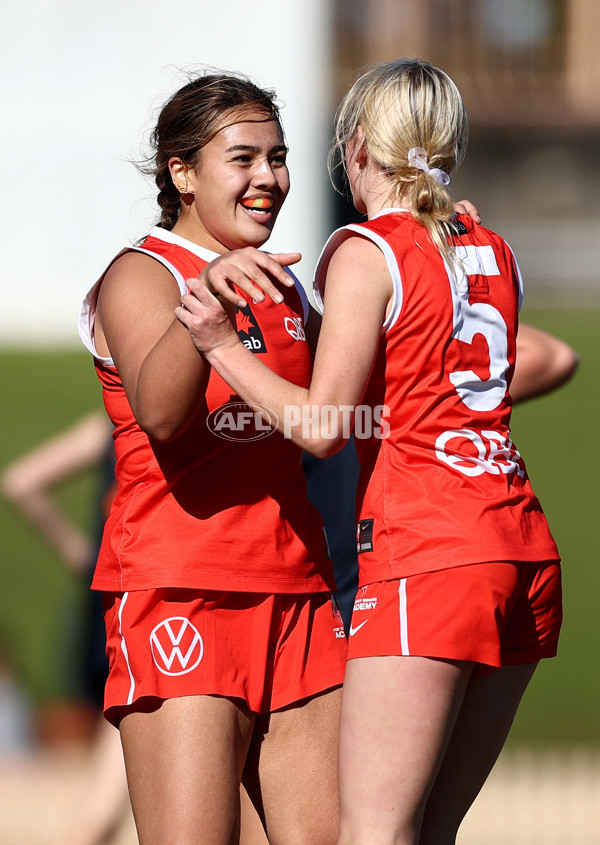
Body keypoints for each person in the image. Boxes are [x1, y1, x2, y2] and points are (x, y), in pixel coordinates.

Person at [176, 59, 566, 844]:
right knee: (428, 830)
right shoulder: (493, 246)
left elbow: (323, 424)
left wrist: (219, 343)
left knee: (376, 830)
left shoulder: (363, 247)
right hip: (520, 543)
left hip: (428, 548)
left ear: (357, 145)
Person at [78, 71, 351, 845]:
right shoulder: (142, 272)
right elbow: (162, 416)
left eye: (279, 156)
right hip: (180, 590)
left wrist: (427, 240)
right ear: (183, 173)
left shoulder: (287, 281)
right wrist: (212, 305)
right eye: (244, 158)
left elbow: (338, 418)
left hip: (298, 590)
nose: (269, 177)